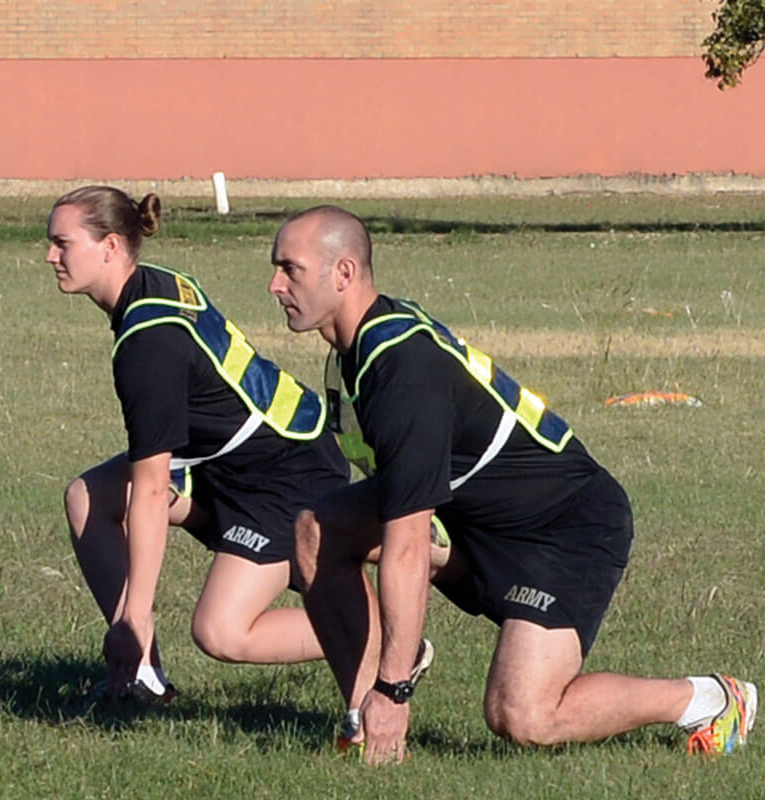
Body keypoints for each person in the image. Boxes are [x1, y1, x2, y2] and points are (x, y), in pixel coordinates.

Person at [267, 204, 757, 764]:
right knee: (319, 528)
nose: (275, 284)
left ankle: (711, 699)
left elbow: (405, 544)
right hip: (476, 521)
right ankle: (367, 728)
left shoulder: (401, 368)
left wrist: (398, 686)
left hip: (563, 529)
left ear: (344, 273)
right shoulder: (355, 353)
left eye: (290, 268)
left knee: (522, 717)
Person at [45, 186, 349, 703]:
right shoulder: (157, 283)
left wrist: (134, 616)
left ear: (111, 247)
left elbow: (149, 488)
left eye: (62, 243)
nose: (50, 256)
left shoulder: (148, 343)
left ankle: (386, 640)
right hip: (226, 463)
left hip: (284, 475)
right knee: (88, 497)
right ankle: (143, 678)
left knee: (221, 631)